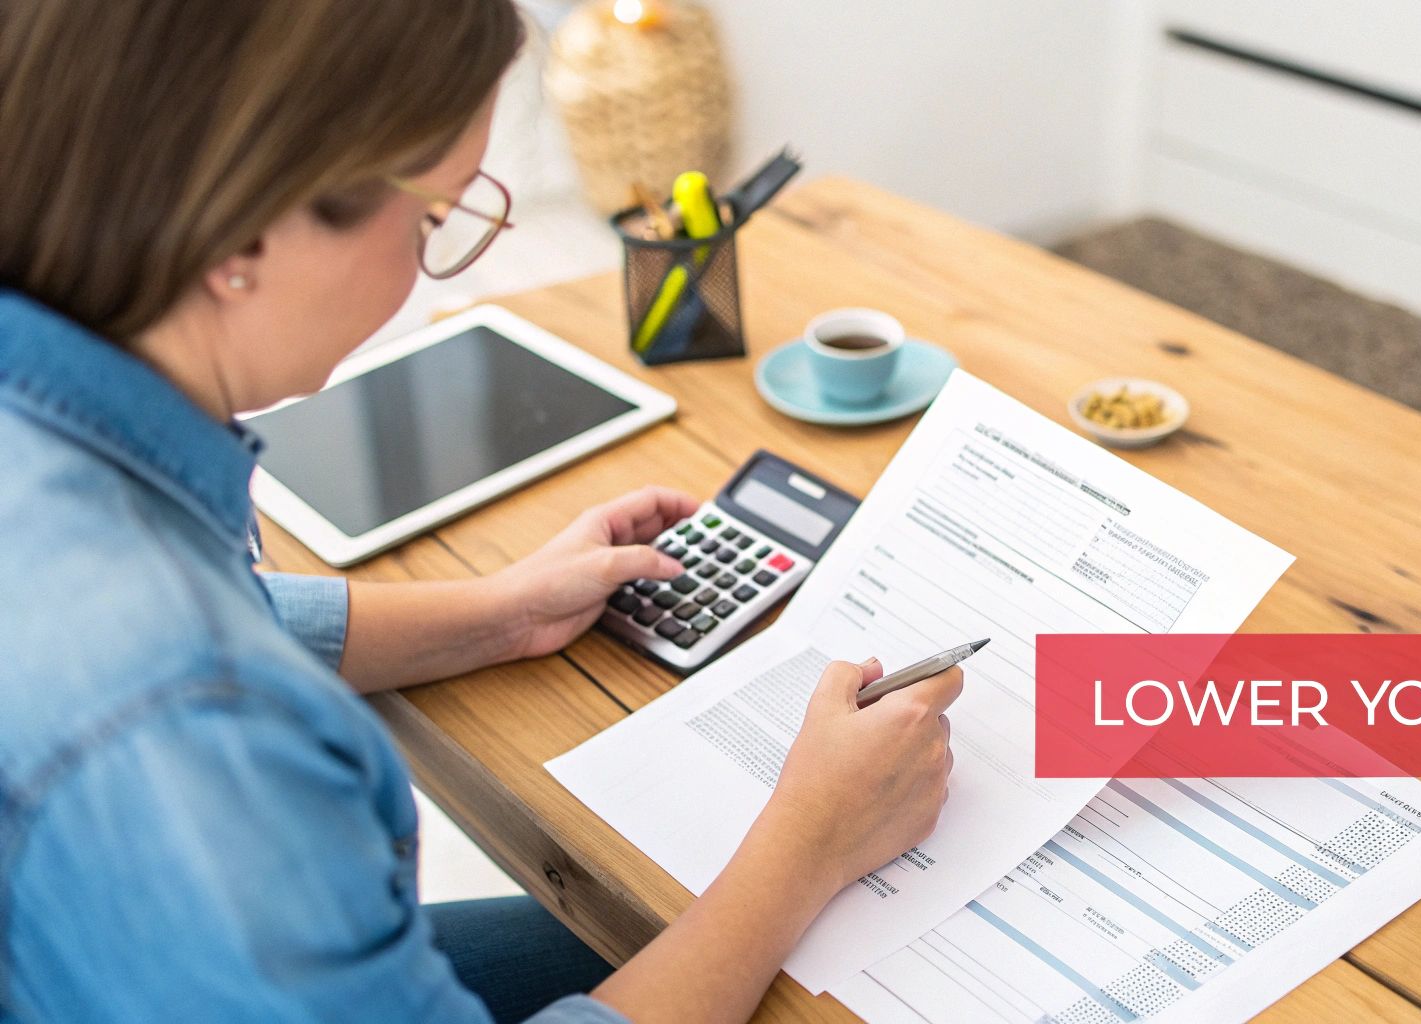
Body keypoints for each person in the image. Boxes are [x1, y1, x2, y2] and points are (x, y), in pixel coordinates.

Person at [0, 2, 960, 1022]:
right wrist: (809, 843)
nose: (425, 265)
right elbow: (180, 666)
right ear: (241, 229)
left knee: (606, 920)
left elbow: (214, 611)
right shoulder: (194, 728)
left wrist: (498, 611)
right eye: (430, 220)